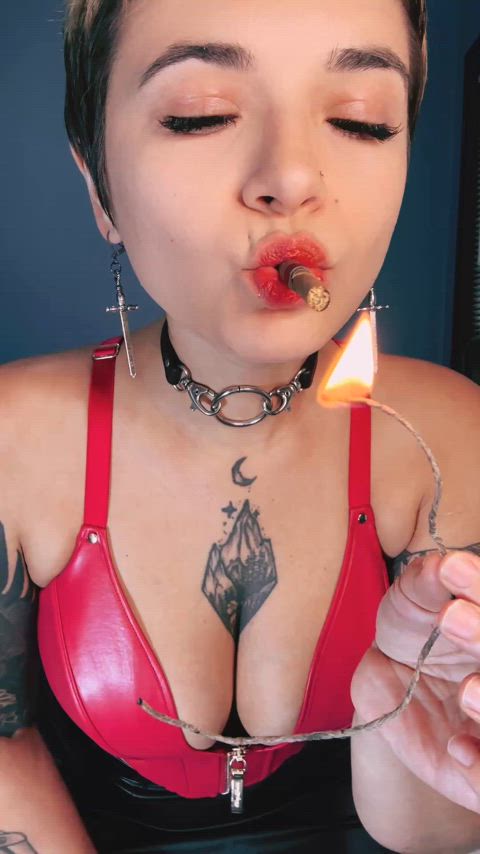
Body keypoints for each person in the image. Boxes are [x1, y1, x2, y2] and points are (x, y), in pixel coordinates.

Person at [1, 0, 480, 851]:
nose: (291, 178)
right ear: (99, 184)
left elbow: (432, 830)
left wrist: (411, 725)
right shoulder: (14, 435)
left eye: (360, 120)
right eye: (202, 115)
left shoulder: (445, 431)